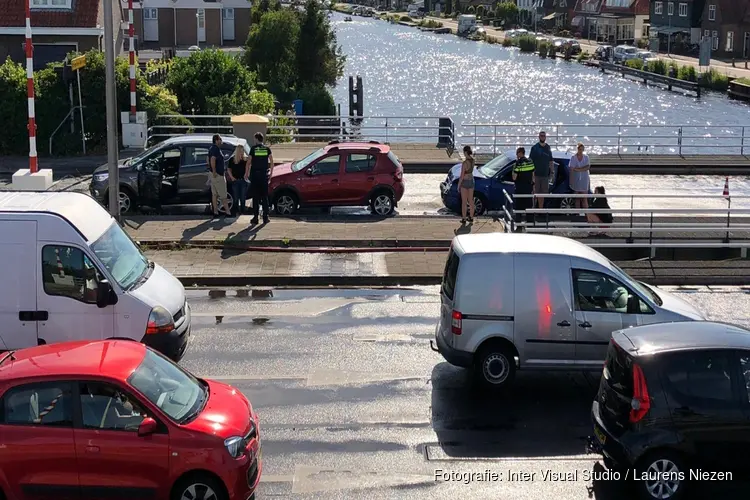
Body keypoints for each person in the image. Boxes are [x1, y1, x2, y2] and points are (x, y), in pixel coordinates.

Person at [248, 132, 274, 225]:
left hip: (255, 175)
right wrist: (270, 174)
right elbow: (271, 162)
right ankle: (265, 217)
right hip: (263, 176)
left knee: (255, 197)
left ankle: (255, 217)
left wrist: (246, 173)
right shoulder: (267, 149)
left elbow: (249, 162)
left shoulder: (253, 149)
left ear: (256, 139)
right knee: (264, 197)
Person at [512, 146, 535, 231]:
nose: (516, 155)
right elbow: (533, 175)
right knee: (528, 206)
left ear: (520, 153)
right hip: (528, 188)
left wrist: (513, 170)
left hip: (519, 188)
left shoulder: (518, 163)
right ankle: (530, 225)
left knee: (519, 207)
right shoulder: (530, 162)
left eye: (517, 153)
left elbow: (514, 177)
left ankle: (519, 226)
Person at [529, 130, 554, 209]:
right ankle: (533, 209)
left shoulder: (548, 147)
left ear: (545, 137)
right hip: (536, 175)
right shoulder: (534, 148)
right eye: (541, 135)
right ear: (539, 137)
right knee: (535, 193)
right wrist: (532, 175)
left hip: (545, 175)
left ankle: (540, 209)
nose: (542, 137)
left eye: (544, 136)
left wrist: (552, 172)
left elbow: (550, 161)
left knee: (542, 194)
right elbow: (530, 161)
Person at [208, 134, 231, 218]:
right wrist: (214, 171)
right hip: (218, 175)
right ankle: (228, 212)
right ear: (216, 140)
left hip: (213, 174)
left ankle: (215, 211)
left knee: (214, 194)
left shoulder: (211, 148)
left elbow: (208, 159)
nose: (221, 141)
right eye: (220, 139)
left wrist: (211, 170)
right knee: (223, 194)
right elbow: (212, 159)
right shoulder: (215, 150)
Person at [569, 142, 591, 217]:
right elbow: (572, 168)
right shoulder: (573, 157)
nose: (580, 151)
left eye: (582, 149)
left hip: (584, 180)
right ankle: (577, 214)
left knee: (584, 198)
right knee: (577, 198)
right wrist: (571, 180)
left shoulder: (586, 157)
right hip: (576, 180)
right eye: (579, 149)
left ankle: (587, 214)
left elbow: (587, 167)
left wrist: (577, 169)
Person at [227, 144, 248, 216]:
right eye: (241, 151)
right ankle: (235, 210)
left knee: (243, 197)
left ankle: (242, 210)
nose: (242, 153)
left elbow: (248, 168)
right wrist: (232, 177)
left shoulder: (245, 160)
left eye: (243, 151)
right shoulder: (232, 159)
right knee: (235, 197)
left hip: (243, 180)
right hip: (235, 180)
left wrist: (246, 175)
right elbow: (229, 169)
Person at [458, 145, 476, 224]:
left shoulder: (464, 163)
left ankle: (464, 218)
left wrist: (459, 185)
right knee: (471, 201)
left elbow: (462, 175)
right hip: (471, 181)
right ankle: (471, 217)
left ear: (465, 152)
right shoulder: (473, 160)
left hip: (465, 182)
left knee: (464, 202)